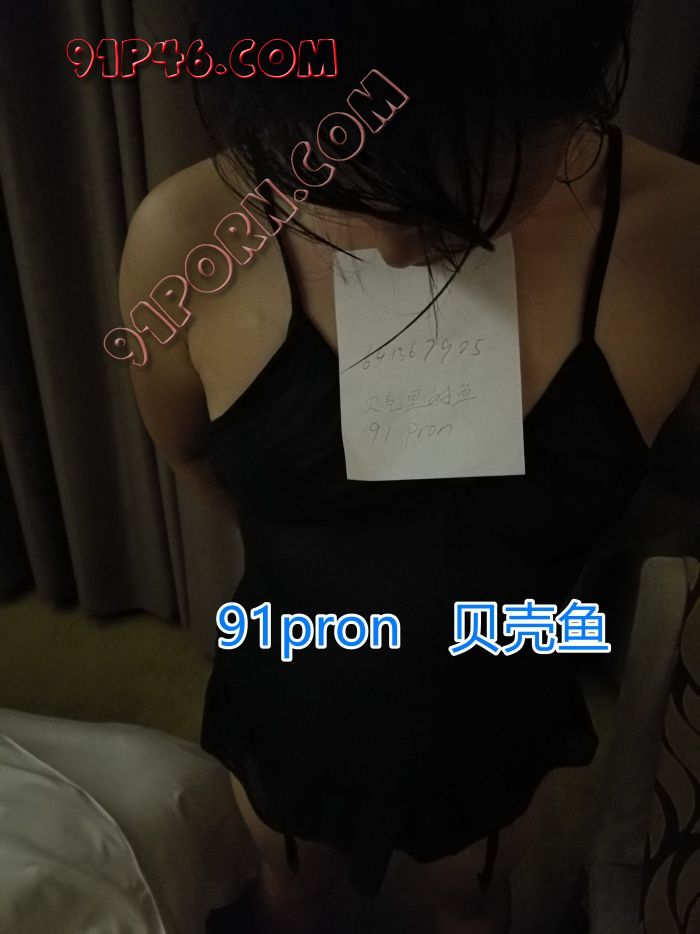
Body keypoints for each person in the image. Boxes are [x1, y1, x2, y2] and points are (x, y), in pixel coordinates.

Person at [118, 2, 700, 931]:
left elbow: (671, 494)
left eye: (453, 193)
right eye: (336, 178)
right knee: (289, 887)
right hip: (295, 685)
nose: (390, 249)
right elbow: (189, 453)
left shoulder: (682, 239)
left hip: (500, 698)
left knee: (472, 899)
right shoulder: (189, 237)